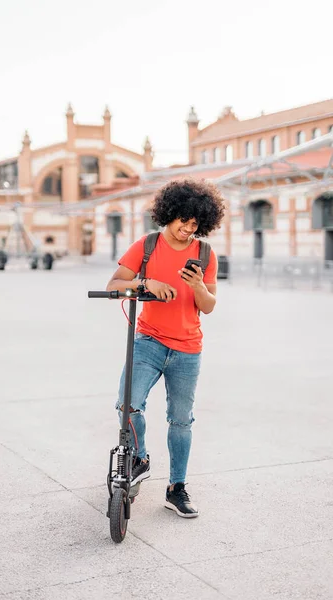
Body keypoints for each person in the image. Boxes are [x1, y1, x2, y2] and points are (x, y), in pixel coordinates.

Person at [106, 179, 225, 518]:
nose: (188, 229)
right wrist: (145, 283)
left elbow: (210, 305)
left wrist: (199, 285)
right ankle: (139, 458)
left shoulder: (205, 254)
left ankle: (177, 488)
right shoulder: (146, 246)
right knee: (127, 404)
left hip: (188, 350)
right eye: (183, 220)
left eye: (195, 224)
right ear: (168, 214)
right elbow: (114, 283)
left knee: (181, 421)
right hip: (149, 342)